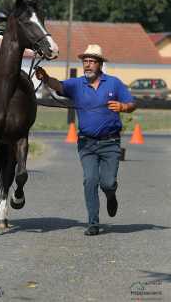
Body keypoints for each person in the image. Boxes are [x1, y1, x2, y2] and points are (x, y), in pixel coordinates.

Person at [35, 44, 136, 236]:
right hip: (86, 144)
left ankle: (111, 194)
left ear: (100, 65)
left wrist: (123, 107)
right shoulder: (77, 84)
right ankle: (93, 223)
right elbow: (60, 86)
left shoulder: (114, 83)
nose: (88, 65)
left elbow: (132, 104)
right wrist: (46, 78)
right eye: (85, 61)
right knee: (90, 180)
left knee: (107, 183)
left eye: (92, 61)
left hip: (110, 143)